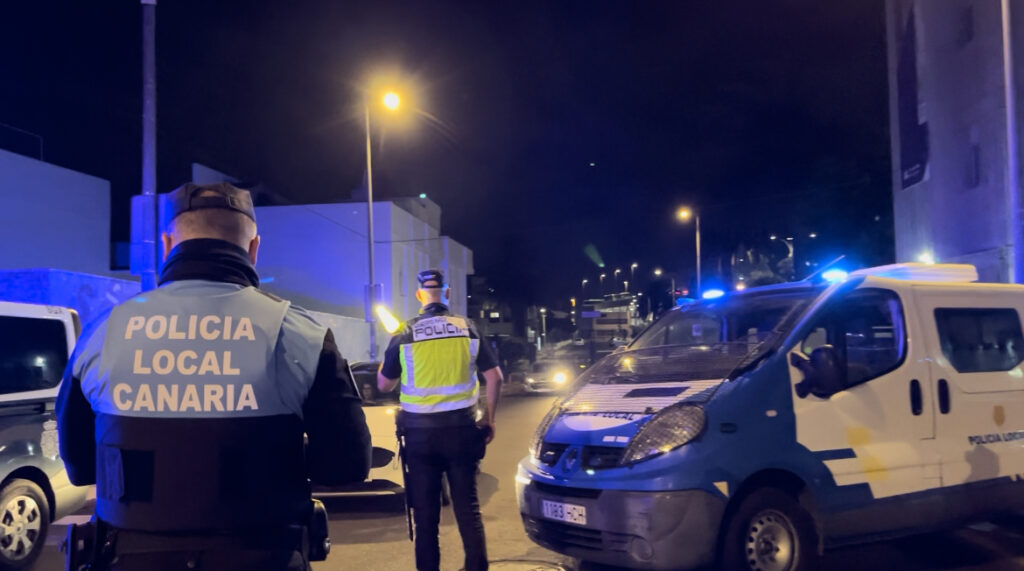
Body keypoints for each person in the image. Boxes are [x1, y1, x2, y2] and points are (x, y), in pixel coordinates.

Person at [56, 182, 372, 571]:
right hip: (264, 556)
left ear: (167, 244)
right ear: (254, 248)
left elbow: (81, 466)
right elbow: (347, 464)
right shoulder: (299, 334)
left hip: (127, 556)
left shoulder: (103, 331)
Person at [377, 269, 503, 571]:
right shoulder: (468, 327)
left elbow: (384, 385)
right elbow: (495, 378)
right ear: (447, 294)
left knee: (426, 516)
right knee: (468, 509)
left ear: (421, 296)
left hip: (420, 436)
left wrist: (389, 357)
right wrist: (489, 418)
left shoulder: (404, 332)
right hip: (462, 430)